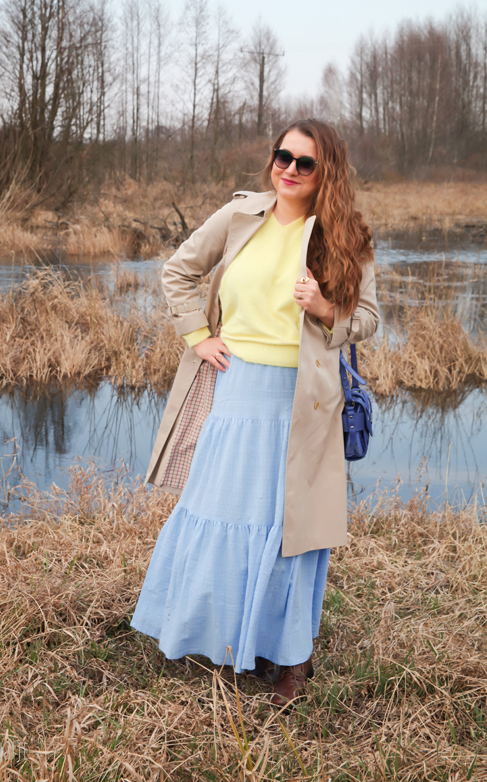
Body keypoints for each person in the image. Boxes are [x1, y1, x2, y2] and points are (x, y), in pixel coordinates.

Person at [131, 118, 379, 706]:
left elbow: (368, 318)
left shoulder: (345, 235)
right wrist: (198, 336)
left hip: (303, 400)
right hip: (236, 389)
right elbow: (178, 271)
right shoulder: (240, 214)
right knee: (220, 511)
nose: (288, 169)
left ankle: (291, 658)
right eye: (282, 156)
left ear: (326, 172)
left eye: (304, 162)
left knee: (288, 528)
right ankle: (215, 634)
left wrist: (325, 309)